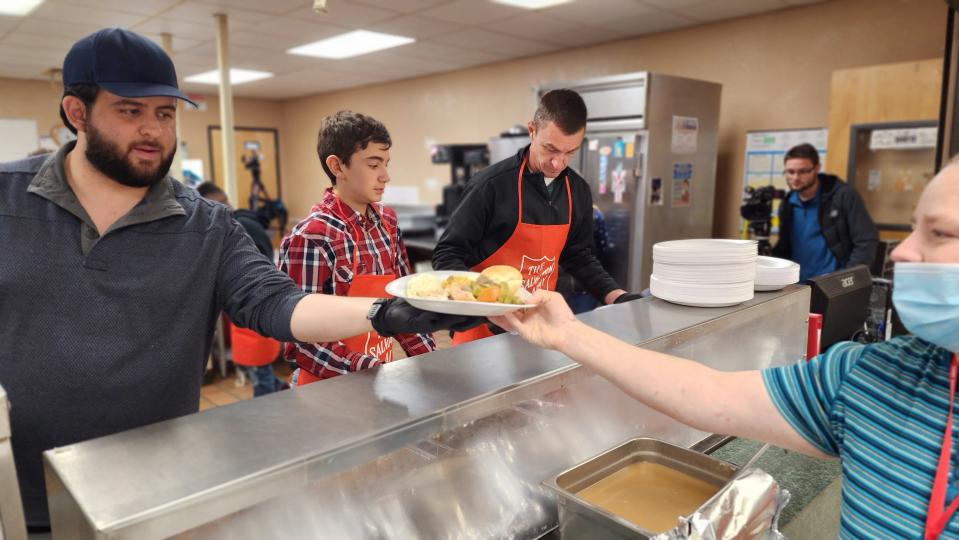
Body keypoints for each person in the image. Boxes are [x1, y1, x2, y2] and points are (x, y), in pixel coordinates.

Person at [0, 28, 478, 531]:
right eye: (130, 111)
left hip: (160, 489)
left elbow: (277, 302)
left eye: (165, 113)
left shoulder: (205, 223)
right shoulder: (8, 203)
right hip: (24, 492)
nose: (153, 130)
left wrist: (384, 312)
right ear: (77, 113)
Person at [495, 161, 959, 538]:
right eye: (914, 228)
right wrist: (567, 335)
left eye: (940, 234)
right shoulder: (874, 379)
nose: (900, 252)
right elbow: (710, 395)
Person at [432, 89, 640, 344]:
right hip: (483, 331)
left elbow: (579, 257)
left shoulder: (577, 190)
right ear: (532, 130)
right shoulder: (491, 186)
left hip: (540, 325)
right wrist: (487, 309)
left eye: (569, 152)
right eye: (550, 149)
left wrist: (616, 296)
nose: (557, 163)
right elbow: (447, 254)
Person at [278, 111, 436, 384]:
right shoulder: (313, 237)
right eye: (373, 165)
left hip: (376, 378)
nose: (385, 176)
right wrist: (372, 371)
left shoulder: (387, 222)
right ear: (337, 167)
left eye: (386, 164)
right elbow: (300, 342)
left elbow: (404, 306)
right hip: (327, 388)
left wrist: (432, 361)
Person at [196, 181, 288, 397]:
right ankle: (280, 388)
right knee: (255, 367)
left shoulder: (240, 228)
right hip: (248, 314)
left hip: (256, 309)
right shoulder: (242, 222)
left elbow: (258, 270)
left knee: (259, 373)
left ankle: (267, 414)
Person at [772, 143, 878, 281]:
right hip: (796, 285)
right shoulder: (787, 204)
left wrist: (849, 279)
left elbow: (866, 240)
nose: (796, 178)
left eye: (803, 171)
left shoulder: (843, 196)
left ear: (817, 168)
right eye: (790, 172)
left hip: (832, 284)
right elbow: (784, 247)